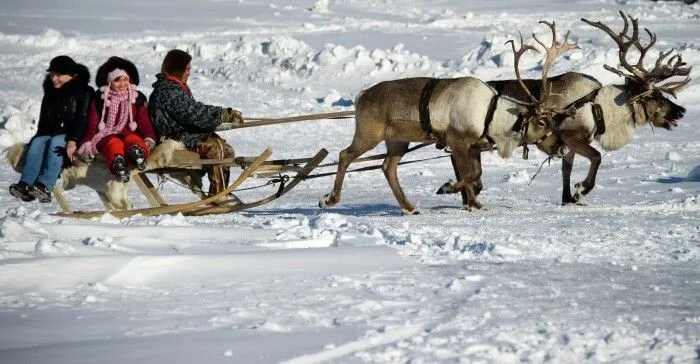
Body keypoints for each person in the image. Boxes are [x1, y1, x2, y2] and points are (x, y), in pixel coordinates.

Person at [148, 49, 244, 196]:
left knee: (227, 150)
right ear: (177, 69)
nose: (189, 72)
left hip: (186, 136)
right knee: (216, 149)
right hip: (174, 139)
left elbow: (194, 110)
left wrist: (223, 116)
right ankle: (218, 195)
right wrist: (223, 114)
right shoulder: (168, 91)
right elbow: (193, 113)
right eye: (187, 69)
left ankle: (220, 191)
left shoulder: (175, 88)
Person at [9, 55, 94, 203]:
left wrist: (74, 140)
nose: (54, 79)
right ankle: (25, 184)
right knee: (38, 143)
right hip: (54, 133)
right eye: (52, 75)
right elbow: (44, 123)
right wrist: (36, 141)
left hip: (76, 135)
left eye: (59, 75)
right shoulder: (51, 92)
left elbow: (83, 120)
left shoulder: (85, 92)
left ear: (72, 76)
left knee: (56, 142)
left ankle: (45, 186)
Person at [78, 57, 156, 183]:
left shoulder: (135, 97)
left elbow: (144, 121)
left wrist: (149, 136)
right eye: (117, 80)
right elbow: (93, 125)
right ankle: (117, 162)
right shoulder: (101, 99)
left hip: (129, 132)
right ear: (109, 82)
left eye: (125, 80)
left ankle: (139, 153)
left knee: (133, 139)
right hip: (108, 134)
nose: (122, 84)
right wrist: (86, 143)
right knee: (113, 143)